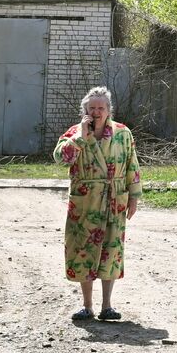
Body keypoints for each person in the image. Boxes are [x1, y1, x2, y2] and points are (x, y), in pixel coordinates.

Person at [53, 86, 142, 322]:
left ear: (109, 110)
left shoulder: (123, 134)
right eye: (91, 108)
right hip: (86, 201)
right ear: (84, 110)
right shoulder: (75, 133)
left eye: (101, 108)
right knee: (83, 249)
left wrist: (133, 196)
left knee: (111, 250)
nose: (96, 112)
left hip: (114, 198)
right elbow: (61, 158)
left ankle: (107, 306)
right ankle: (87, 306)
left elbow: (132, 165)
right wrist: (80, 138)